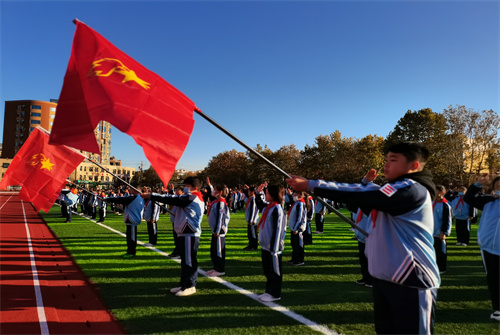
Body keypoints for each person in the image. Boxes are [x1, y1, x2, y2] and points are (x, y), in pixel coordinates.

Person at [286, 142, 440, 334]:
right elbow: (366, 201)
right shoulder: (393, 189)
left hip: (411, 280)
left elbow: (369, 195)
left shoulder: (413, 189)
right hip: (384, 277)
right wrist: (364, 183)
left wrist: (312, 185)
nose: (386, 164)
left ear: (414, 166)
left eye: (393, 160)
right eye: (386, 159)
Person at [144, 177, 204, 297]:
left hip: (190, 233)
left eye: (188, 186)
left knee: (189, 261)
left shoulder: (193, 197)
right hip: (184, 232)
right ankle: (184, 284)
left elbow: (171, 199)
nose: (185, 188)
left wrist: (151, 196)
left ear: (195, 188)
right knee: (184, 261)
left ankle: (190, 285)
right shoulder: (189, 197)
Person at [464, 174, 500, 322]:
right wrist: (478, 184)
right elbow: (468, 198)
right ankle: (498, 309)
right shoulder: (488, 201)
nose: (499, 190)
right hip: (488, 248)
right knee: (494, 278)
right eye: (498, 187)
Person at [257, 184, 287, 302]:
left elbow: (279, 230)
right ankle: (269, 291)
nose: (266, 195)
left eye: (267, 193)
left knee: (275, 271)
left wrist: (274, 249)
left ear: (274, 194)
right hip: (265, 246)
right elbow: (259, 203)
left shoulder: (278, 209)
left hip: (273, 248)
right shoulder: (268, 207)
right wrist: (258, 192)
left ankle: (275, 294)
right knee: (267, 270)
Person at [106, 186, 145, 258]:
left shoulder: (135, 198)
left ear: (136, 190)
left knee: (132, 238)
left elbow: (122, 200)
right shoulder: (135, 198)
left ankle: (132, 252)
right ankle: (129, 251)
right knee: (129, 237)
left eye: (131, 189)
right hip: (131, 219)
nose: (129, 190)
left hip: (133, 219)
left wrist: (108, 199)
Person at [206, 184, 230, 277]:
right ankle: (215, 267)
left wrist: (218, 229)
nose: (213, 192)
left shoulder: (221, 203)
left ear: (220, 192)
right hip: (215, 230)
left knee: (219, 250)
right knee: (214, 250)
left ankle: (220, 269)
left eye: (215, 190)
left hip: (219, 231)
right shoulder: (216, 201)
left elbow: (221, 217)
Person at [432, 185, 452, 274]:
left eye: (436, 191)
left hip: (439, 232)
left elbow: (447, 220)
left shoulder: (445, 205)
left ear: (441, 192)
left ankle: (442, 268)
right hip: (430, 232)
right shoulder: (431, 203)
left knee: (440, 251)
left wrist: (444, 232)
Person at [287, 190, 308, 266]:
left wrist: (296, 228)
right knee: (294, 244)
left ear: (300, 196)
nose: (293, 196)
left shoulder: (301, 204)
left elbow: (300, 217)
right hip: (293, 228)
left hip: (298, 228)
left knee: (298, 244)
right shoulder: (297, 203)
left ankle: (299, 260)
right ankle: (294, 258)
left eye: (295, 194)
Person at [244, 186, 260, 251]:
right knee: (250, 234)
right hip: (250, 219)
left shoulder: (253, 200)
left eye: (249, 191)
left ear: (252, 192)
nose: (248, 193)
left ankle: (253, 246)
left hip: (252, 220)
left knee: (253, 234)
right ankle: (250, 245)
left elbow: (253, 210)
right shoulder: (250, 199)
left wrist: (251, 220)